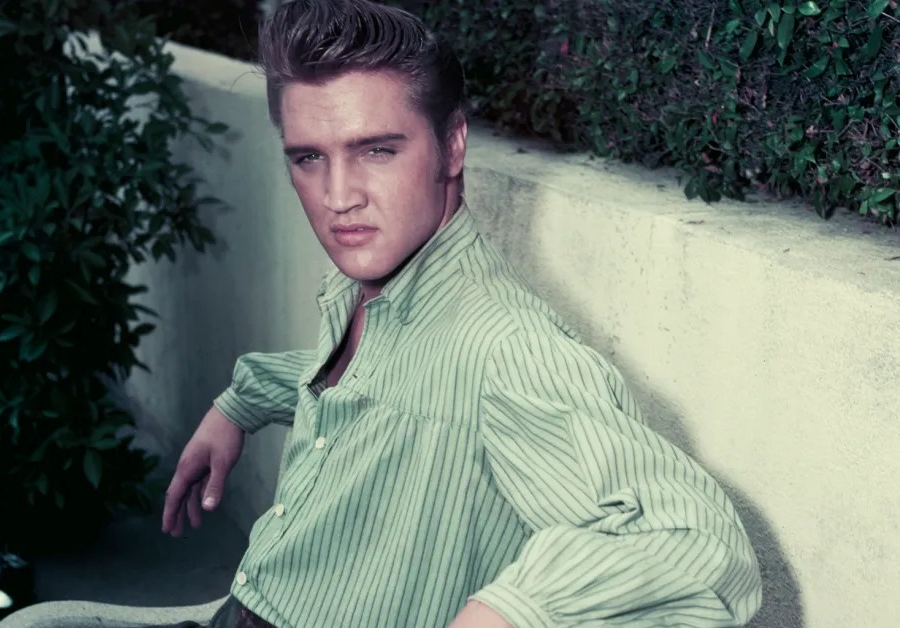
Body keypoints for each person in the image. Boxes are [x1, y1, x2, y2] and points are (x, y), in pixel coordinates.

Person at [160, 1, 763, 626]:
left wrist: (506, 613)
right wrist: (242, 401)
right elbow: (373, 390)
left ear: (452, 145)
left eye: (377, 151)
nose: (338, 197)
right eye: (309, 157)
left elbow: (698, 547)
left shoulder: (506, 347)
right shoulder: (370, 291)